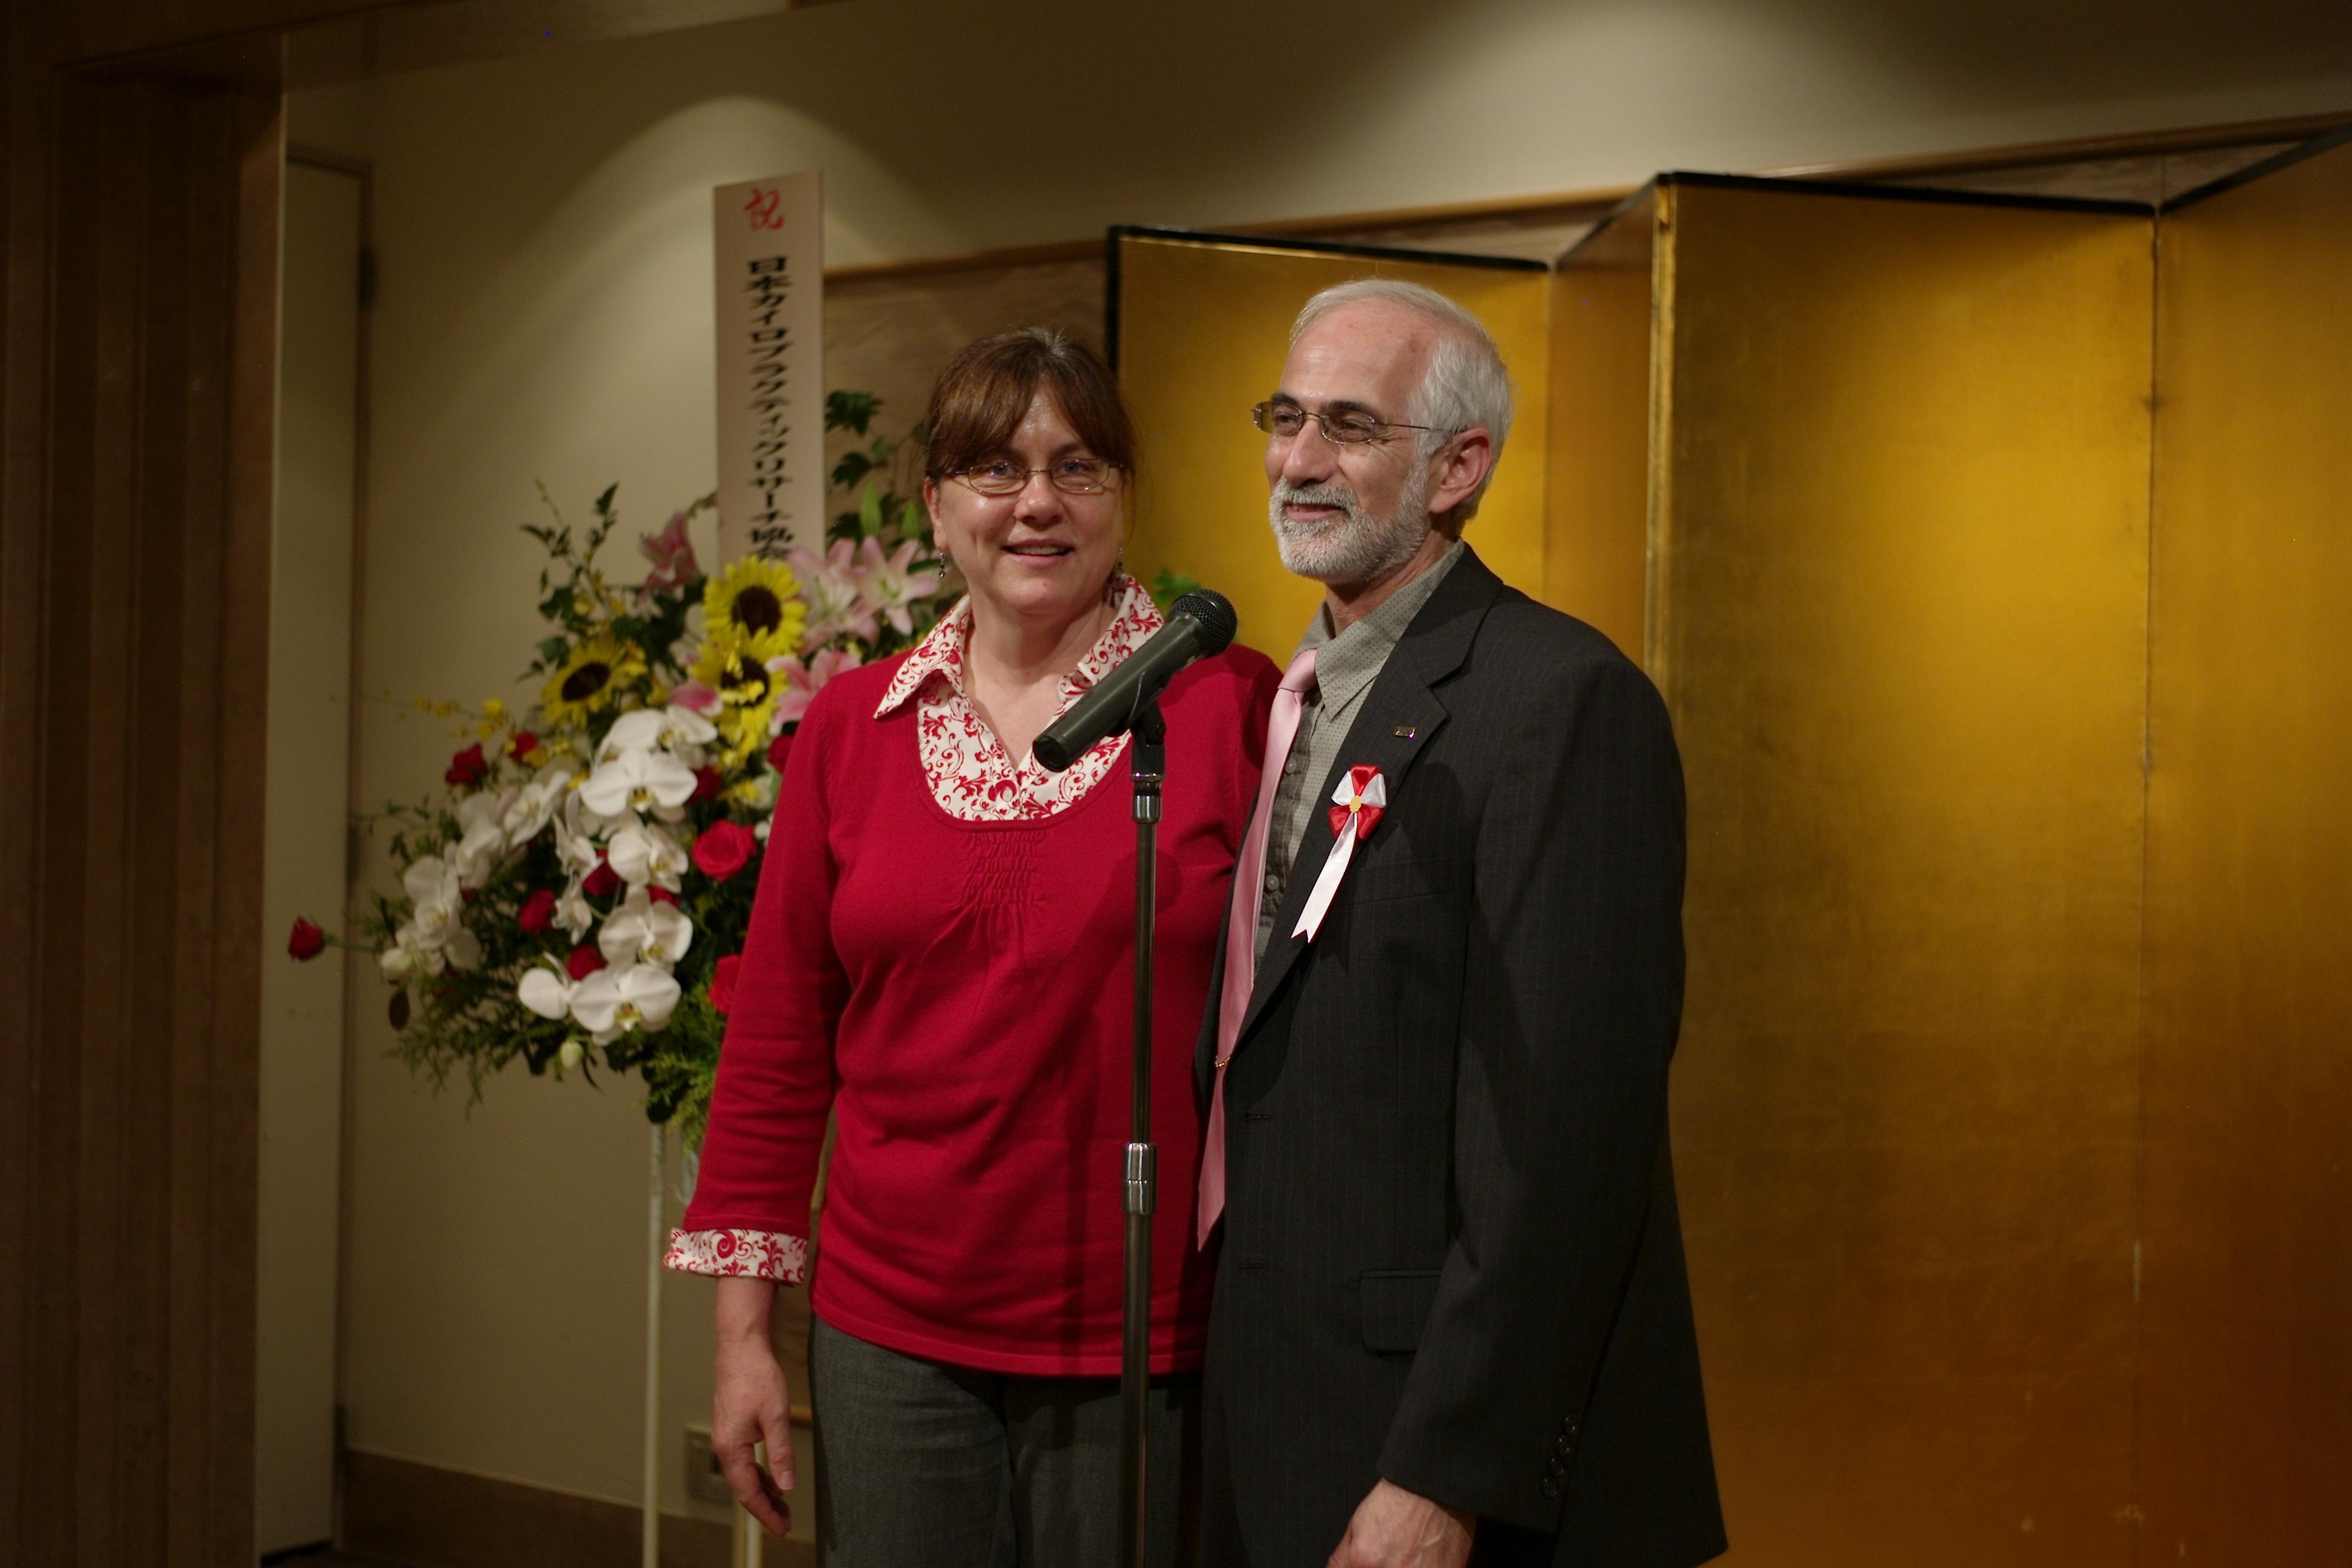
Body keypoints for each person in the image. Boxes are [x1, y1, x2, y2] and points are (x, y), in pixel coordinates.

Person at [669, 327, 1278, 1567]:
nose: (1038, 502)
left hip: (1147, 1338)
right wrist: (744, 1341)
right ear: (938, 506)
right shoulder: (852, 721)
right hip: (891, 1333)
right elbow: (781, 1038)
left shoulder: (1231, 705)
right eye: (996, 469)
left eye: (1079, 466)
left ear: (1123, 494)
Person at [1193, 280, 1726, 1568]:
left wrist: (1447, 1469)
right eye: (1286, 416)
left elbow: (1567, 1138)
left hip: (1426, 1443)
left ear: (1458, 466)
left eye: (1351, 426)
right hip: (1261, 1396)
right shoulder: (1281, 698)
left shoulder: (1561, 703)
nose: (1298, 461)